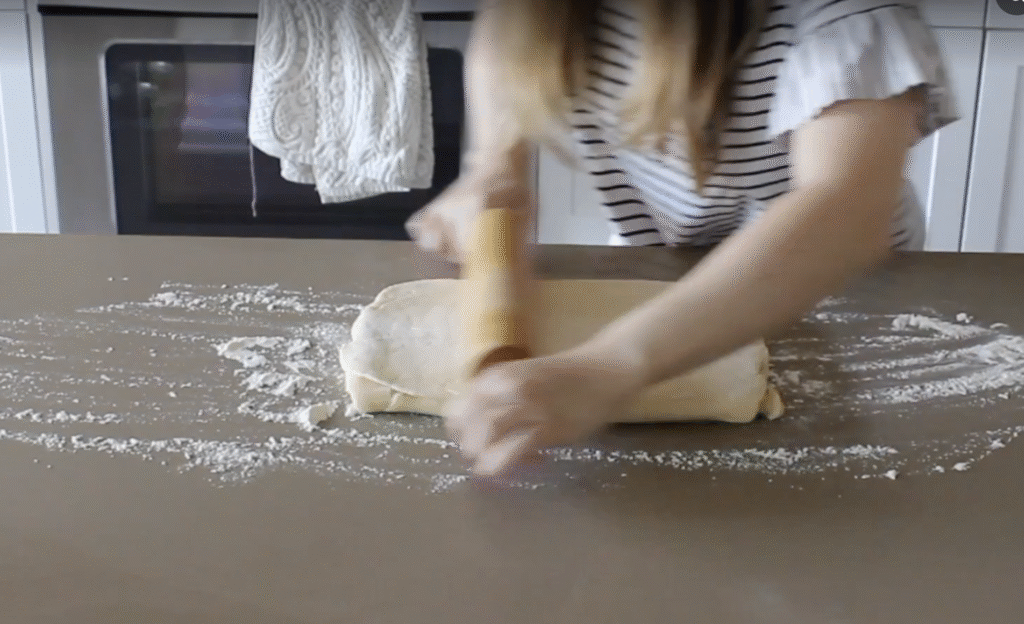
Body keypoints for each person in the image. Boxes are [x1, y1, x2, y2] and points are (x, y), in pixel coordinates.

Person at [405, 0, 958, 477]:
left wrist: (609, 367)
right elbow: (512, 27)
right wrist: (493, 166)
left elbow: (844, 209)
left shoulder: (838, 13)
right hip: (658, 266)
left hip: (830, 292)